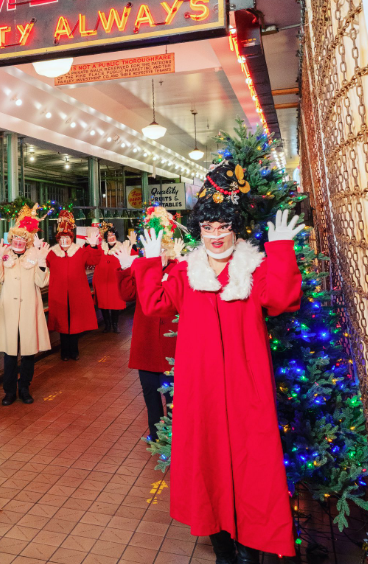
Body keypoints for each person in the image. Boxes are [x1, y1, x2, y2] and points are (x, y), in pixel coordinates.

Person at [133, 161, 303, 562]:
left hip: (248, 391)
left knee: (253, 468)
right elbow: (154, 304)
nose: (215, 236)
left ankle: (249, 547)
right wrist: (151, 263)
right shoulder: (186, 273)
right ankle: (224, 549)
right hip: (200, 391)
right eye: (207, 229)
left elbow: (282, 300)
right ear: (200, 231)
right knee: (206, 463)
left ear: (236, 228)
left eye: (222, 227)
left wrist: (280, 251)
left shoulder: (253, 270)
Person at [112, 207, 184, 441]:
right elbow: (127, 295)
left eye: (163, 248)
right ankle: (157, 436)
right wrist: (124, 269)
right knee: (151, 396)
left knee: (174, 398)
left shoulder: (178, 269)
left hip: (172, 347)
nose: (159, 253)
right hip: (147, 346)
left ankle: (176, 437)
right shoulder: (140, 266)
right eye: (155, 248)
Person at [0, 204, 50, 405]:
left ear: (28, 240)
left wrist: (42, 264)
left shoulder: (34, 256)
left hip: (29, 311)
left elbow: (42, 282)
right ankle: (8, 391)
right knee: (9, 354)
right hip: (9, 311)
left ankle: (24, 388)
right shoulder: (4, 255)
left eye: (23, 238)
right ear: (11, 237)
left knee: (28, 353)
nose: (19, 240)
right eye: (16, 237)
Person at [46, 211, 101, 361]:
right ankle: (65, 351)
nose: (65, 240)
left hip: (77, 294)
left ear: (71, 238)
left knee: (75, 323)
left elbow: (94, 260)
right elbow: (43, 266)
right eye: (62, 238)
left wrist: (94, 246)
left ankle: (74, 350)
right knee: (62, 325)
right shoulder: (51, 253)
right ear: (59, 239)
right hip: (59, 295)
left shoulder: (80, 251)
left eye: (68, 238)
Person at [92, 222, 127, 333]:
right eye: (108, 236)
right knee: (103, 303)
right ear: (105, 238)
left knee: (115, 303)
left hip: (115, 280)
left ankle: (115, 324)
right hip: (101, 280)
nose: (111, 237)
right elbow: (91, 256)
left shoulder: (122, 248)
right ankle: (107, 324)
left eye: (113, 235)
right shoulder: (100, 248)